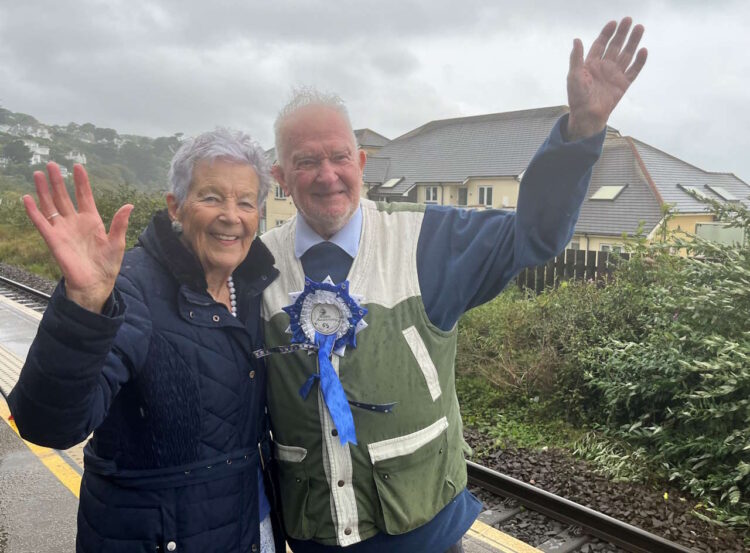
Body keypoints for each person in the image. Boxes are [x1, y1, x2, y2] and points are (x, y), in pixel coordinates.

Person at [260, 17, 647, 553]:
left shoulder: (429, 238)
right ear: (280, 176)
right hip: (314, 535)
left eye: (339, 156)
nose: (328, 174)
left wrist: (580, 133)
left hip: (426, 534)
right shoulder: (255, 267)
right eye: (305, 161)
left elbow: (533, 235)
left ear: (362, 163)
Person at [8, 129, 285, 553]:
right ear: (175, 205)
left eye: (246, 202)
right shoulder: (129, 288)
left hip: (251, 526)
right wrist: (83, 305)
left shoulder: (252, 290)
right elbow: (48, 425)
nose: (232, 215)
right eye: (211, 197)